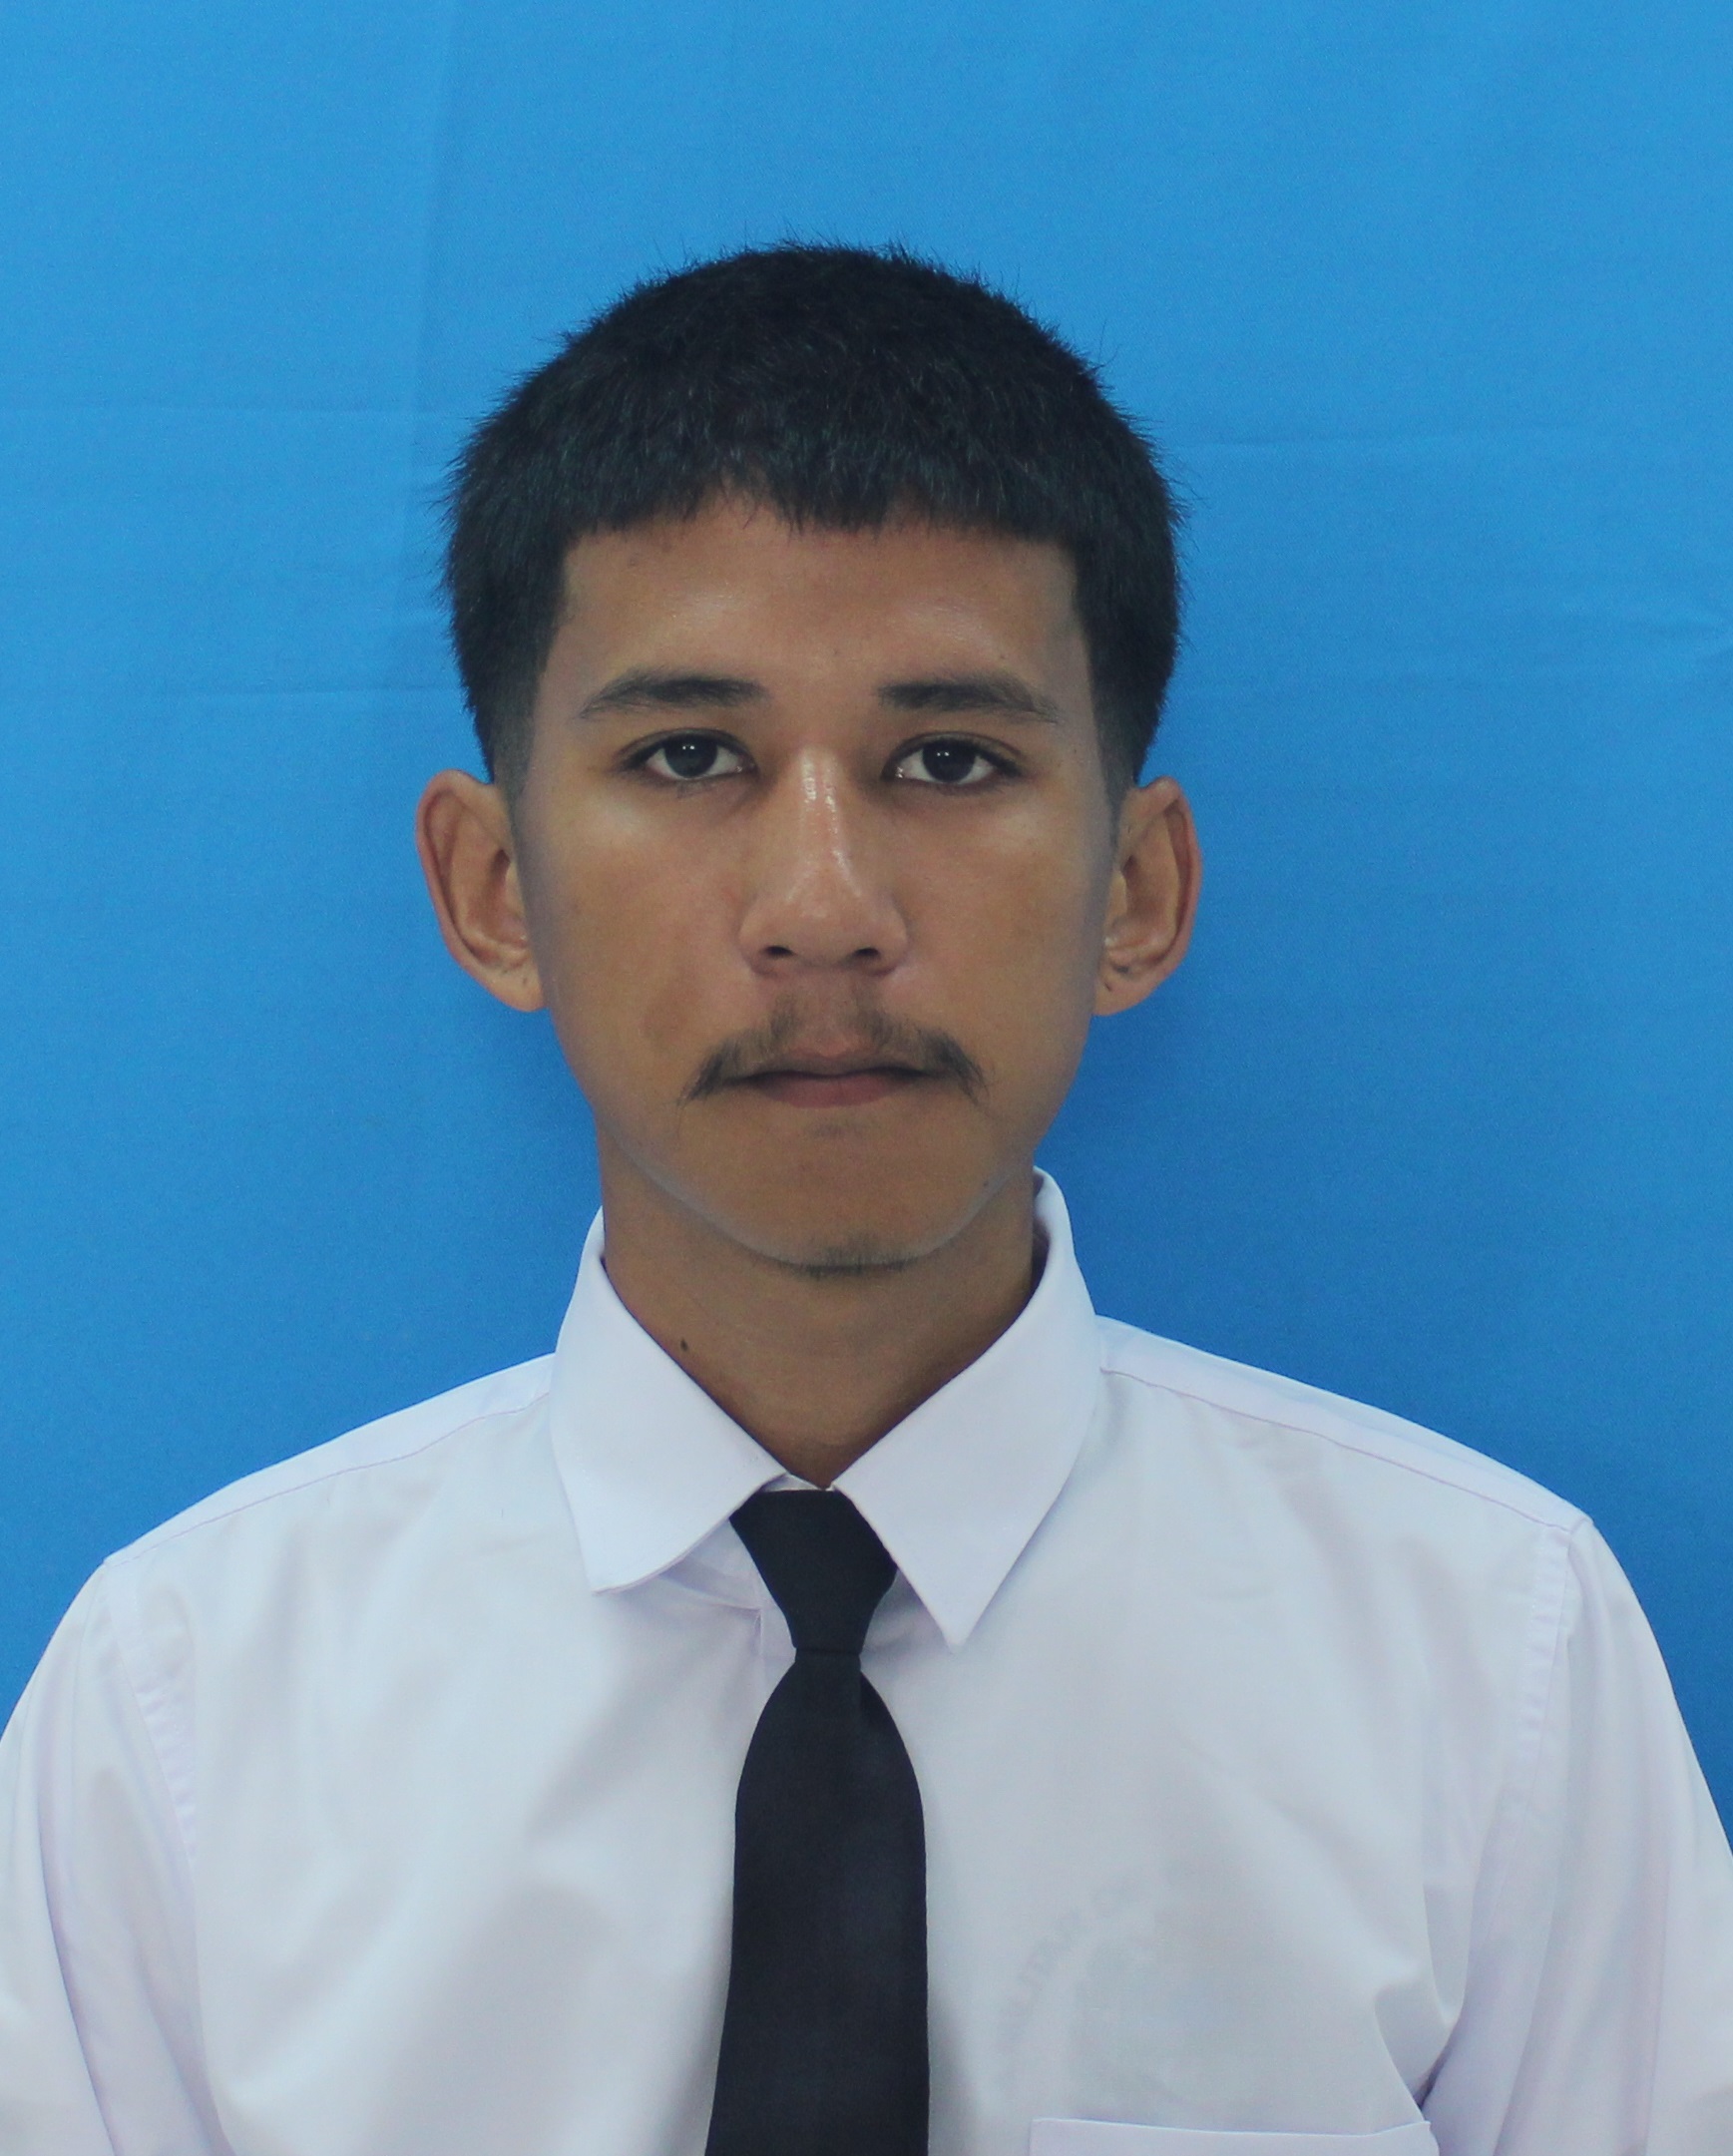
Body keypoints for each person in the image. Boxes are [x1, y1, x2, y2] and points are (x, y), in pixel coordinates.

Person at [2, 242, 1730, 2156]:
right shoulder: (178, 1711)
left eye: (947, 758)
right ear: (494, 888)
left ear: (1135, 890)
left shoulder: (1487, 1660)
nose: (823, 905)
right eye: (689, 756)